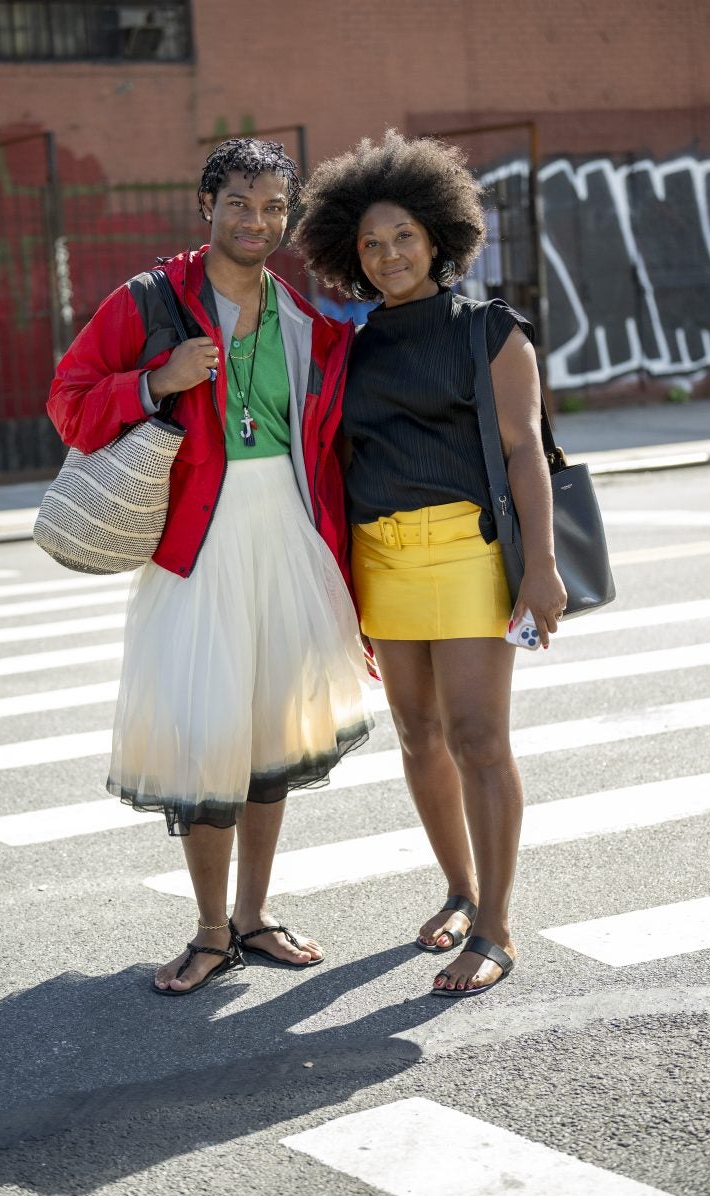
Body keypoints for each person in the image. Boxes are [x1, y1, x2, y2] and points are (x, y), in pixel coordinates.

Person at [47, 138, 373, 995]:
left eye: (273, 208)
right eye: (239, 203)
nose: (256, 221)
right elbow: (68, 404)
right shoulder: (149, 299)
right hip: (196, 549)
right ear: (207, 206)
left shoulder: (304, 320)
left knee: (272, 737)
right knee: (207, 739)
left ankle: (254, 917)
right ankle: (209, 931)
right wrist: (154, 382)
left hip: (286, 540)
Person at [293, 130, 566, 997]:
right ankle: (459, 889)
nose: (388, 255)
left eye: (403, 236)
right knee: (417, 735)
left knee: (478, 737)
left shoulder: (490, 332)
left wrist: (540, 567)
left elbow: (525, 452)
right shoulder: (350, 347)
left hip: (467, 553)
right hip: (382, 558)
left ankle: (496, 928)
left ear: (438, 235)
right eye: (371, 243)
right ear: (351, 254)